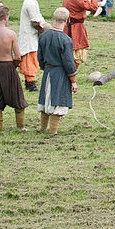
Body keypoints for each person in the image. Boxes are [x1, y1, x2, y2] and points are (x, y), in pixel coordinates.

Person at [0, 5, 28, 132]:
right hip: (8, 65)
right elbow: (18, 56)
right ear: (6, 17)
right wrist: (14, 65)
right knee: (17, 95)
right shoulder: (11, 34)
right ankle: (20, 126)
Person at [37, 7, 78, 135]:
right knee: (58, 100)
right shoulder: (66, 40)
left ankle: (43, 128)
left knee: (46, 98)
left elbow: (40, 56)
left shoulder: (43, 36)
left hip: (48, 71)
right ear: (67, 20)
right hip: (60, 73)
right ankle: (53, 131)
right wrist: (73, 80)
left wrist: (45, 67)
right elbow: (68, 62)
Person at [61, 0, 97, 69]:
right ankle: (72, 72)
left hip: (67, 26)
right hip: (76, 28)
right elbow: (94, 7)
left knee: (68, 49)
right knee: (77, 51)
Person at [19, 0, 46, 92]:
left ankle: (29, 81)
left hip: (33, 36)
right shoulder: (29, 3)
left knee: (32, 58)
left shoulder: (33, 2)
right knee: (30, 59)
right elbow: (35, 22)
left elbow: (39, 18)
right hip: (29, 36)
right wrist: (43, 31)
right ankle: (30, 83)